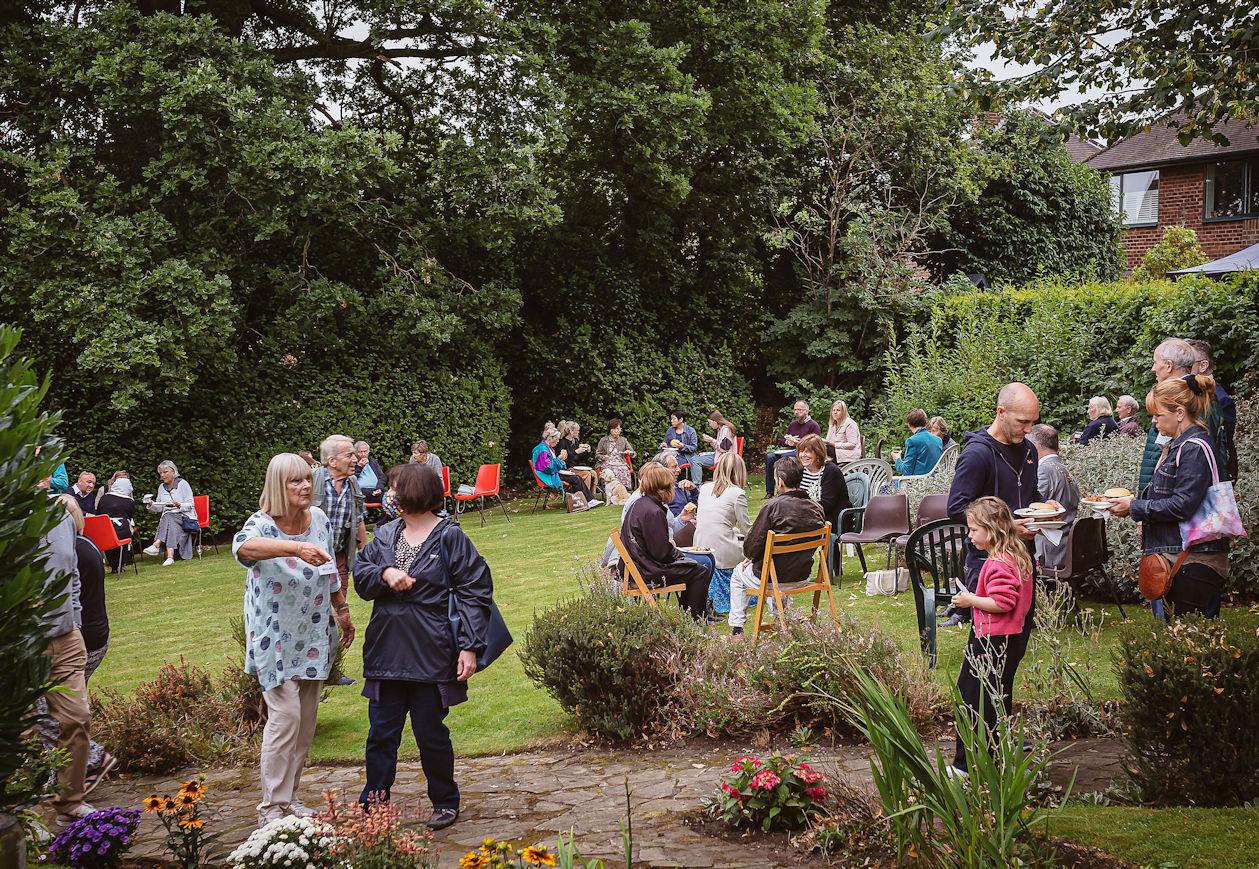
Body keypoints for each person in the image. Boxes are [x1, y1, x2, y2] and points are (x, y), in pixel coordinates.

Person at [354, 464, 493, 831]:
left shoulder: (450, 537)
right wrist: (384, 573)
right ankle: (373, 805)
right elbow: (361, 576)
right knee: (381, 735)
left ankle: (445, 801)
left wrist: (470, 646)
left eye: (395, 488)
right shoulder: (386, 534)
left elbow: (475, 591)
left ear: (413, 492)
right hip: (386, 650)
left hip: (432, 650)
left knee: (430, 734)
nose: (389, 494)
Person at [234, 453, 354, 825]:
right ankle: (271, 808)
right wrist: (295, 548)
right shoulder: (261, 524)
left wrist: (341, 608)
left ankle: (290, 799)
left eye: (307, 479)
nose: (305, 486)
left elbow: (329, 567)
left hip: (313, 631)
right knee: (285, 717)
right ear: (278, 486)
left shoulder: (318, 519)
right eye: (295, 481)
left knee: (304, 723)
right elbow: (243, 549)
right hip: (273, 636)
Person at [1110, 375, 1230, 618]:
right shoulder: (1181, 445)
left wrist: (1134, 507)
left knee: (1188, 635)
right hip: (1183, 558)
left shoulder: (1194, 448)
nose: (1154, 421)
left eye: (1158, 415)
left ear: (1179, 413)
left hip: (1192, 561)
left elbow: (1182, 505)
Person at [948, 497, 1035, 777]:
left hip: (993, 640)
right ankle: (996, 760)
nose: (970, 535)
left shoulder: (999, 563)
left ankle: (967, 766)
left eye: (974, 530)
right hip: (1010, 638)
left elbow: (1002, 602)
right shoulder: (1017, 555)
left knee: (973, 699)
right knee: (997, 699)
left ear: (993, 529)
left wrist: (970, 600)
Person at [945, 384, 1044, 627]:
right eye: (1023, 422)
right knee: (990, 639)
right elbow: (957, 507)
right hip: (986, 561)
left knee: (1020, 634)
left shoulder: (1029, 450)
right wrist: (1008, 527)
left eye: (1033, 422)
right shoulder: (977, 455)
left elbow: (1031, 494)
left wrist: (1045, 507)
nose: (1029, 429)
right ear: (1001, 412)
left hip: (1023, 558)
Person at [38, 492, 94, 824]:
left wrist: (74, 620)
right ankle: (19, 814)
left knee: (76, 717)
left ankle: (69, 802)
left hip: (66, 636)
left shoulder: (60, 516)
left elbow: (71, 572)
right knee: (19, 732)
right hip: (19, 643)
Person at [728, 457, 826, 635]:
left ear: (780, 481)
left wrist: (752, 557)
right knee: (773, 564)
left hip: (774, 578)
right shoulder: (816, 507)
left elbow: (751, 547)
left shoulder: (772, 507)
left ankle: (737, 629)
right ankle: (781, 620)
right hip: (802, 575)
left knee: (738, 574)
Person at [619, 463, 712, 620]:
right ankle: (695, 620)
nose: (674, 490)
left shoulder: (641, 504)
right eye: (671, 486)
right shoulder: (653, 511)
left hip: (638, 566)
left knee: (694, 567)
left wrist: (678, 555)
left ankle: (689, 617)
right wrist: (679, 555)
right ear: (662, 488)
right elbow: (661, 553)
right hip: (646, 570)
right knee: (700, 571)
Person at [695, 452, 751, 616]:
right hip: (723, 550)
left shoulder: (704, 488)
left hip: (701, 546)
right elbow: (746, 529)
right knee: (753, 550)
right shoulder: (737, 493)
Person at [312, 435, 369, 591]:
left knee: (339, 604)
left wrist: (368, 559)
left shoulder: (353, 483)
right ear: (332, 461)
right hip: (310, 560)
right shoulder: (310, 480)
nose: (355, 459)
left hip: (339, 560)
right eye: (349, 455)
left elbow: (359, 522)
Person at [1026, 424, 1080, 572]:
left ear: (1035, 445)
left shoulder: (1043, 470)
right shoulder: (1063, 468)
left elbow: (1032, 507)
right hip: (1064, 547)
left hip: (1047, 550)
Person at [1187, 339, 1237, 481]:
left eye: (1188, 364)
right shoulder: (1188, 393)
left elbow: (1222, 443)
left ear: (1203, 365)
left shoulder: (1221, 399)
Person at [141, 460, 196, 565]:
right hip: (170, 519)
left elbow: (191, 505)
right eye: (161, 473)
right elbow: (160, 507)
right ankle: (170, 557)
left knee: (168, 516)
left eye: (165, 472)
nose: (162, 475)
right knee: (169, 518)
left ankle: (156, 544)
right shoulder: (161, 487)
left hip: (184, 517)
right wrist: (150, 504)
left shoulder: (183, 484)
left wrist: (179, 505)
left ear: (173, 472)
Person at [763, 400, 821, 498]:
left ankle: (784, 488)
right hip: (788, 449)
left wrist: (797, 442)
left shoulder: (813, 425)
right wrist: (787, 441)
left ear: (806, 411)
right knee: (770, 457)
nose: (796, 412)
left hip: (802, 451)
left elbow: (815, 443)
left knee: (784, 457)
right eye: (795, 410)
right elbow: (781, 440)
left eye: (799, 410)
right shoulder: (792, 425)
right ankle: (769, 491)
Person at [532, 428, 600, 506]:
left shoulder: (547, 448)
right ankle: (586, 501)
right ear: (550, 438)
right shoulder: (542, 449)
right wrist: (559, 458)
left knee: (576, 477)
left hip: (552, 473)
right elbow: (548, 468)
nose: (558, 441)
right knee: (576, 479)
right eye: (557, 439)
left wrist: (562, 460)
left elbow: (552, 465)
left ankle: (586, 501)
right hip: (548, 476)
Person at [795, 435, 851, 528]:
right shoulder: (800, 469)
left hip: (831, 520)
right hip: (807, 516)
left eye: (807, 451)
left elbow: (827, 505)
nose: (803, 455)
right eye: (801, 451)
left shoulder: (831, 471)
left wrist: (799, 508)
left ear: (818, 453)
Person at [94, 476, 136, 572]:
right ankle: (120, 565)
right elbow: (130, 517)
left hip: (105, 530)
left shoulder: (104, 498)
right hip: (122, 531)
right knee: (125, 535)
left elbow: (99, 513)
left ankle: (113, 566)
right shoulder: (129, 501)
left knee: (109, 542)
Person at [689, 410, 738, 484]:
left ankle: (697, 485)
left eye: (710, 422)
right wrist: (711, 441)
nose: (709, 425)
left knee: (695, 460)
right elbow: (720, 447)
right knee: (696, 457)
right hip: (721, 456)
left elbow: (724, 448)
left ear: (715, 421)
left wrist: (712, 440)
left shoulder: (726, 429)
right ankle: (697, 484)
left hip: (726, 458)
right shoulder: (721, 429)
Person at [893, 408, 943, 476]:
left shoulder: (912, 441)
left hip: (918, 481)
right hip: (936, 479)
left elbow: (906, 471)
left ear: (909, 424)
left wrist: (897, 459)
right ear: (925, 422)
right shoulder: (938, 439)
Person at [594, 418, 636, 490]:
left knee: (623, 469)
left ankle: (622, 489)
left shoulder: (623, 440)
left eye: (618, 429)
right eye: (613, 429)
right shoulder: (603, 440)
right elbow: (597, 455)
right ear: (610, 430)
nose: (616, 431)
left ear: (620, 429)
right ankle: (612, 489)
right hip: (606, 462)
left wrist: (630, 453)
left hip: (620, 463)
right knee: (612, 470)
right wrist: (603, 457)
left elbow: (634, 453)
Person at [556, 421, 597, 493]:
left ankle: (591, 495)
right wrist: (576, 452)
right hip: (566, 469)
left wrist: (587, 451)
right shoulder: (562, 442)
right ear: (571, 431)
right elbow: (564, 460)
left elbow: (580, 458)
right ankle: (584, 497)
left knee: (593, 473)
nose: (578, 432)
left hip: (575, 467)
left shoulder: (575, 441)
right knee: (587, 474)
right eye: (577, 430)